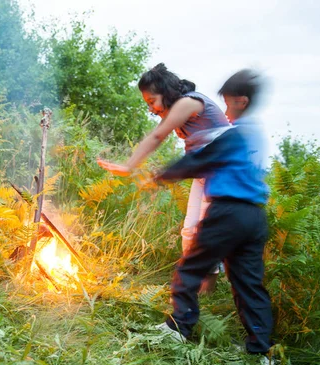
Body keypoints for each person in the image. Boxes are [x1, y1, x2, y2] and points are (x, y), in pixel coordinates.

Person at [153, 69, 274, 364]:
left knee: (191, 266)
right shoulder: (257, 135)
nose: (226, 113)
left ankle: (178, 327)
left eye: (229, 105)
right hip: (255, 217)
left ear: (242, 101)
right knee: (249, 283)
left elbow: (202, 159)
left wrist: (162, 175)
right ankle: (262, 352)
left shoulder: (236, 135)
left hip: (228, 212)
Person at [98, 63, 230, 292]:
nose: (151, 109)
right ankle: (204, 290)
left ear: (166, 92)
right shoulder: (179, 108)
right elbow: (158, 135)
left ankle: (205, 292)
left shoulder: (189, 102)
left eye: (151, 101)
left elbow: (158, 136)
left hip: (225, 174)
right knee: (189, 231)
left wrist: (129, 166)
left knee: (203, 233)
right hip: (205, 176)